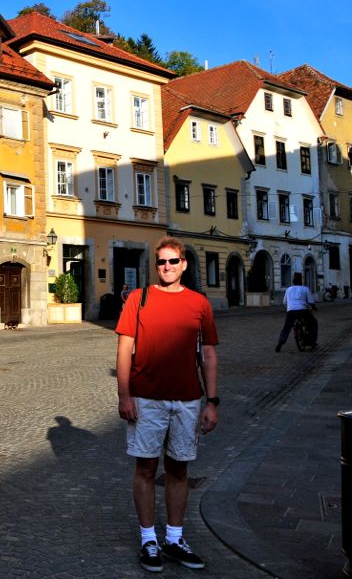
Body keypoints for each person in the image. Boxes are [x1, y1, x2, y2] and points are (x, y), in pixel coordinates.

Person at [115, 237, 219, 573]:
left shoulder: (199, 303)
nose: (167, 267)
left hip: (188, 400)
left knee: (179, 470)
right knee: (145, 469)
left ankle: (174, 538)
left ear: (184, 264)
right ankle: (149, 540)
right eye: (162, 262)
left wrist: (212, 401)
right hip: (146, 399)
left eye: (173, 261)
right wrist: (124, 395)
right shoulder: (138, 299)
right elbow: (123, 349)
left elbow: (209, 354)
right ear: (155, 265)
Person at [275, 272, 317, 352]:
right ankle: (311, 341)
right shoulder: (305, 289)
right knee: (313, 323)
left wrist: (289, 308)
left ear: (293, 281)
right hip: (303, 311)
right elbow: (311, 302)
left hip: (291, 311)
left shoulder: (288, 289)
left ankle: (281, 342)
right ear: (301, 281)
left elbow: (284, 302)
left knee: (286, 327)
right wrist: (313, 307)